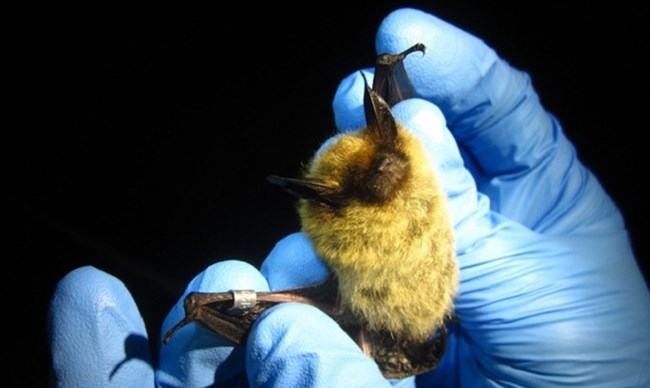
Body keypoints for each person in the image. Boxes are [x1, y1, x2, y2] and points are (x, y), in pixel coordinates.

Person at [48, 8, 650, 387]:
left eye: (387, 153)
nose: (385, 169)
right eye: (373, 173)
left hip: (437, 323)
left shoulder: (404, 157)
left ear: (389, 132)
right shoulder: (348, 218)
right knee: (279, 309)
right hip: (377, 329)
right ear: (338, 201)